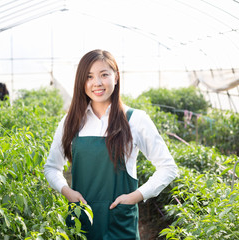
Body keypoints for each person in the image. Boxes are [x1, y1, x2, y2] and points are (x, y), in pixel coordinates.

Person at [44, 49, 178, 240]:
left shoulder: (136, 120)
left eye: (104, 74)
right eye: (89, 76)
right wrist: (67, 192)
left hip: (120, 223)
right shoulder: (71, 122)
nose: (97, 83)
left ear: (116, 77)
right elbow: (51, 167)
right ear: (81, 82)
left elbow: (168, 167)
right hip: (81, 223)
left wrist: (136, 196)